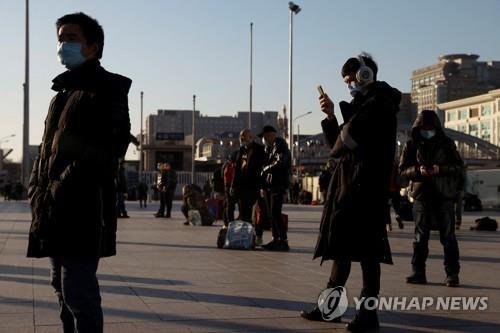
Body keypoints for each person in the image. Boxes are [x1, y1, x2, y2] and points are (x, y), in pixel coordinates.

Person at [27, 12, 131, 333]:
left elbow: (109, 147)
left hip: (83, 206)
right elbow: (46, 152)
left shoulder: (108, 89)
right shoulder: (62, 95)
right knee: (59, 287)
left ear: (93, 46)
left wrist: (62, 185)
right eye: (60, 39)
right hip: (52, 207)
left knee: (79, 292)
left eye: (71, 38)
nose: (63, 45)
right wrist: (37, 188)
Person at [301, 54, 400, 332]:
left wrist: (340, 118)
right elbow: (340, 143)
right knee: (342, 249)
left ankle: (369, 315)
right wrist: (331, 116)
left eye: (351, 80)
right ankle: (330, 308)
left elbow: (343, 143)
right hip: (350, 185)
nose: (349, 86)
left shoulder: (380, 103)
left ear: (366, 74)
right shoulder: (363, 105)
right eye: (345, 82)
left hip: (366, 187)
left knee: (369, 254)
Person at [399, 109, 463, 287]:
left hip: (444, 196)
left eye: (430, 127)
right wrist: (417, 171)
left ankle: (452, 274)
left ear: (436, 126)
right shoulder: (411, 145)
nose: (427, 130)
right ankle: (418, 272)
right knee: (419, 238)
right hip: (421, 196)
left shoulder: (447, 144)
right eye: (423, 127)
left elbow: (458, 167)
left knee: (448, 238)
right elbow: (402, 171)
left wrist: (439, 170)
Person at [259, 125, 291, 251]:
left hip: (278, 184)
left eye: (265, 136)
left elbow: (280, 162)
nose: (264, 139)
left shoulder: (280, 144)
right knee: (271, 214)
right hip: (270, 185)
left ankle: (283, 240)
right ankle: (275, 238)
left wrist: (266, 169)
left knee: (276, 213)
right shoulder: (269, 148)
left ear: (272, 134)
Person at [231, 129, 266, 241]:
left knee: (256, 213)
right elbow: (237, 170)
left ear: (250, 137)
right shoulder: (241, 150)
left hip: (254, 185)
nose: (242, 141)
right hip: (242, 187)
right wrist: (233, 185)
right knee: (243, 213)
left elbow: (263, 168)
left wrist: (262, 185)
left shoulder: (260, 150)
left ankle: (258, 235)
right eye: (241, 139)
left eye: (243, 138)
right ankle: (246, 236)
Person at [223, 151, 238, 225]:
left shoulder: (227, 165)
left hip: (228, 186)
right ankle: (230, 222)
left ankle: (228, 221)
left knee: (229, 205)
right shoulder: (232, 165)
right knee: (230, 205)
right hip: (231, 186)